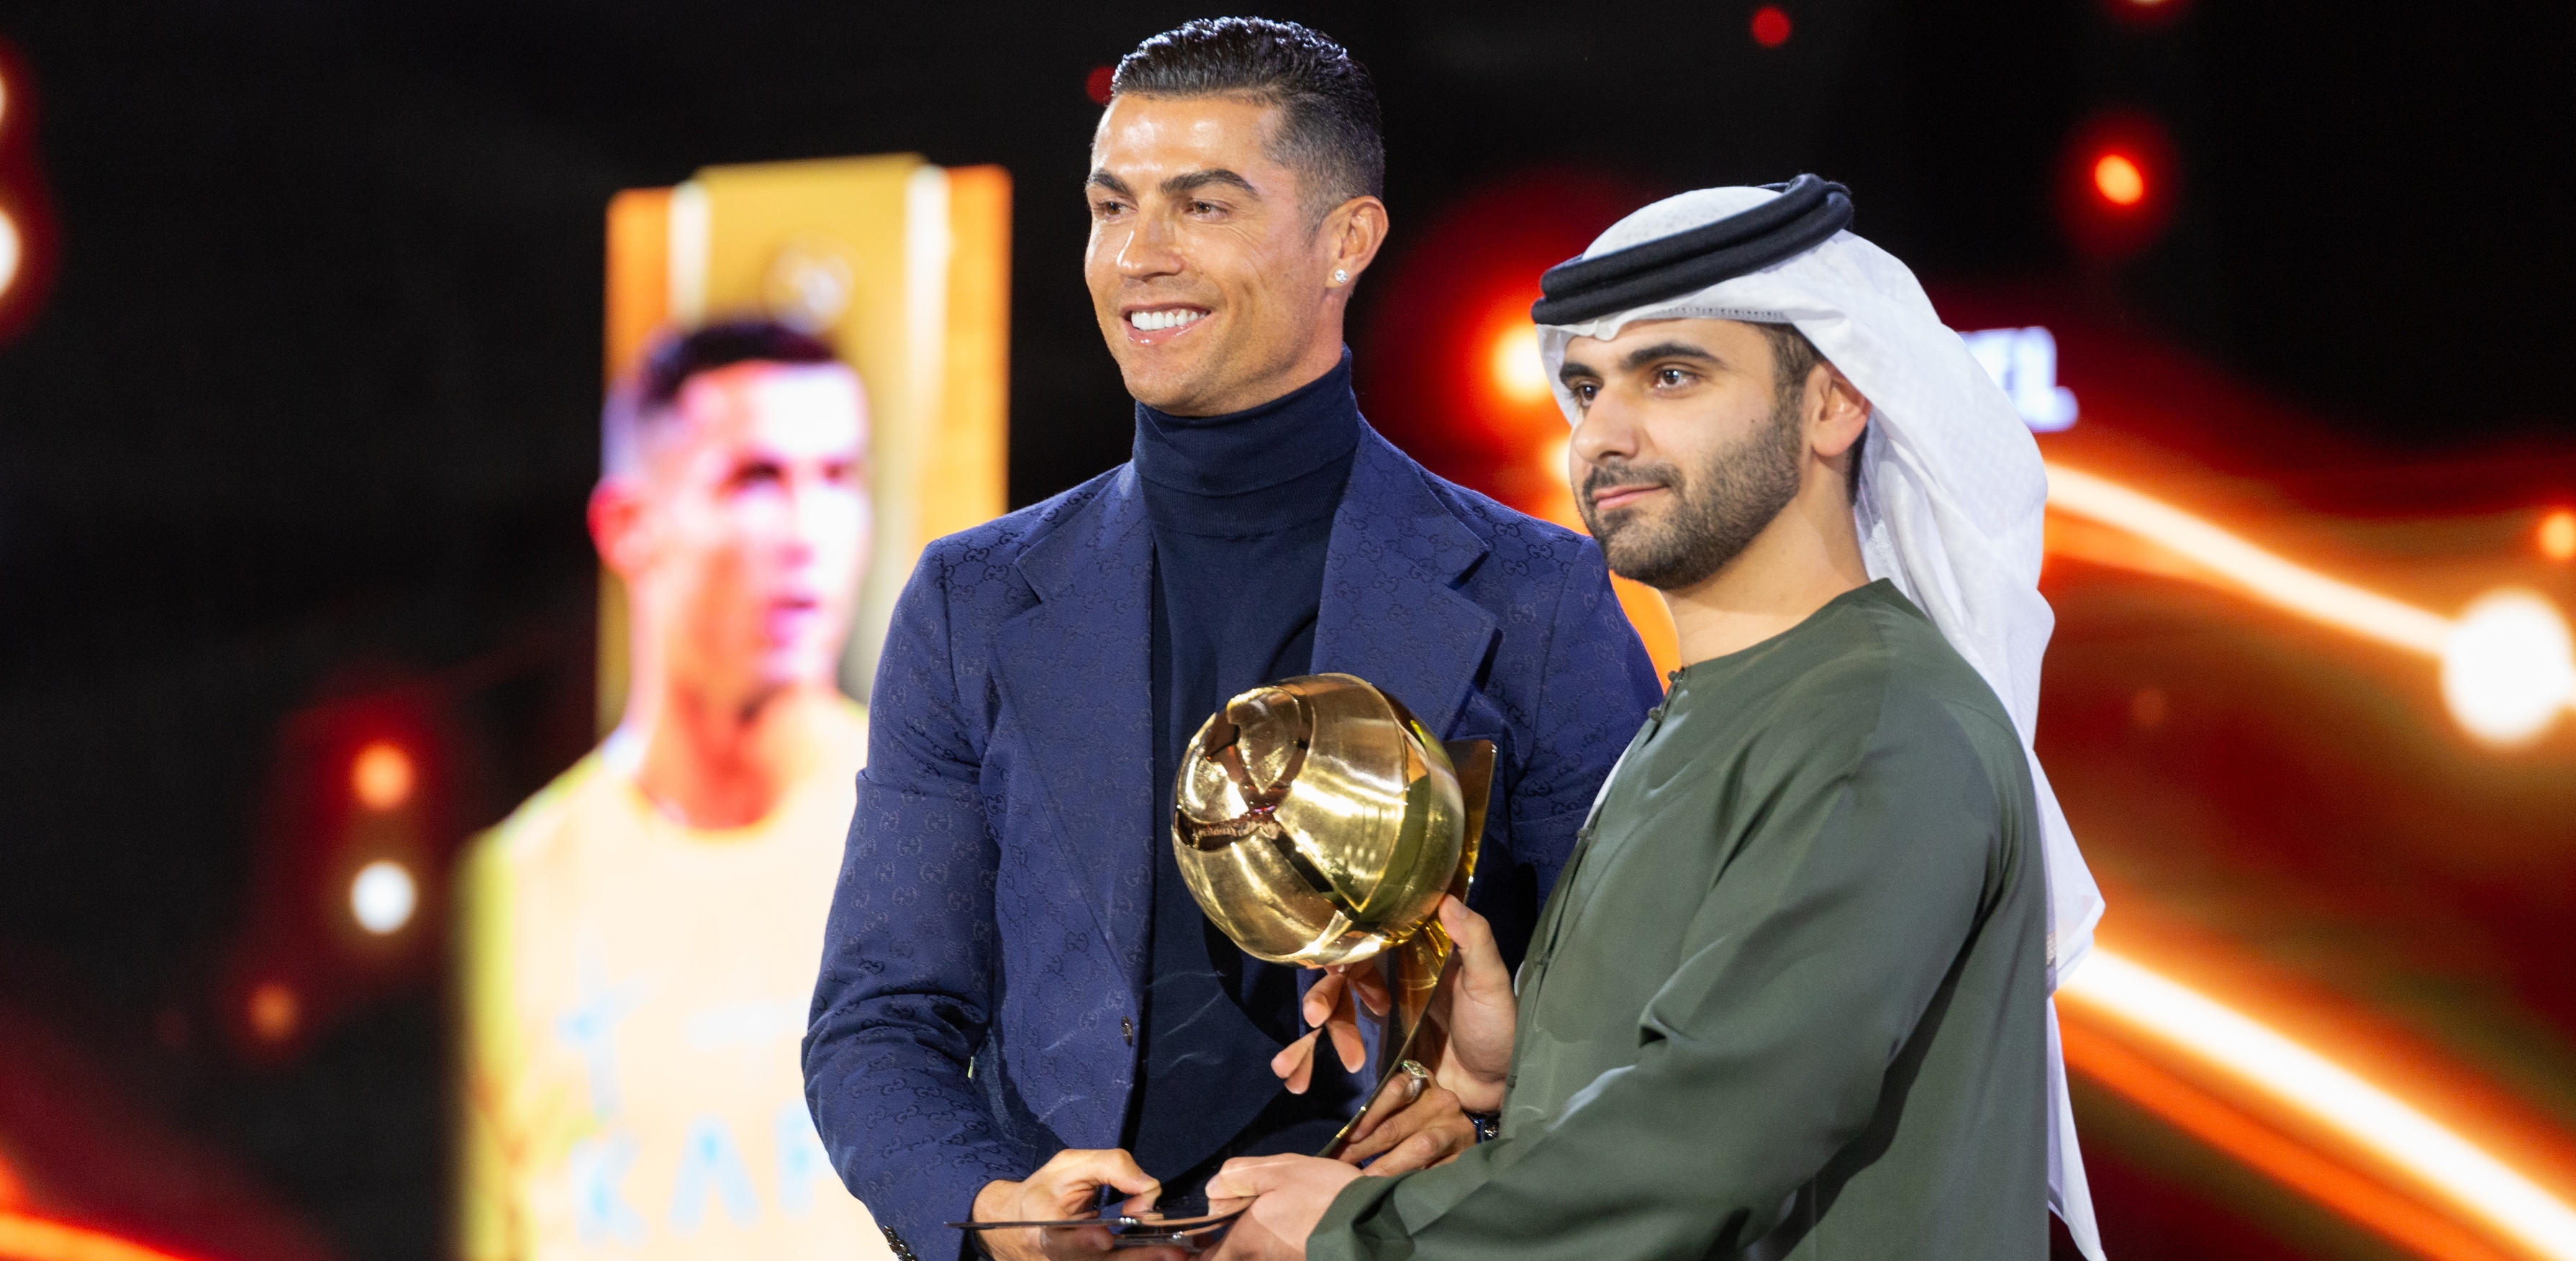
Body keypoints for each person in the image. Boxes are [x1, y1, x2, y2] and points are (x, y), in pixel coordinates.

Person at [801, 18, 1661, 1261]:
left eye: (1203, 207)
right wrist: (988, 1207)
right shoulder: (970, 601)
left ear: (1345, 242)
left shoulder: (1539, 596)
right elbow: (878, 1021)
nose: (1138, 256)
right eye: (1112, 207)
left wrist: (1467, 1155)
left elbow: (1639, 1013)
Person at [1201, 178, 2108, 1260]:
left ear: (1834, 402)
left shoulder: (1878, 723)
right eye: (1585, 389)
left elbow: (1710, 1141)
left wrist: (1359, 1232)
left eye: (1671, 374)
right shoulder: (1700, 716)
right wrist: (1512, 1076)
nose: (1604, 436)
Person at [457, 319, 889, 1260]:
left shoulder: (958, 841)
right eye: (756, 479)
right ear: (630, 527)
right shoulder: (510, 894)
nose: (808, 529)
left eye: (838, 478)